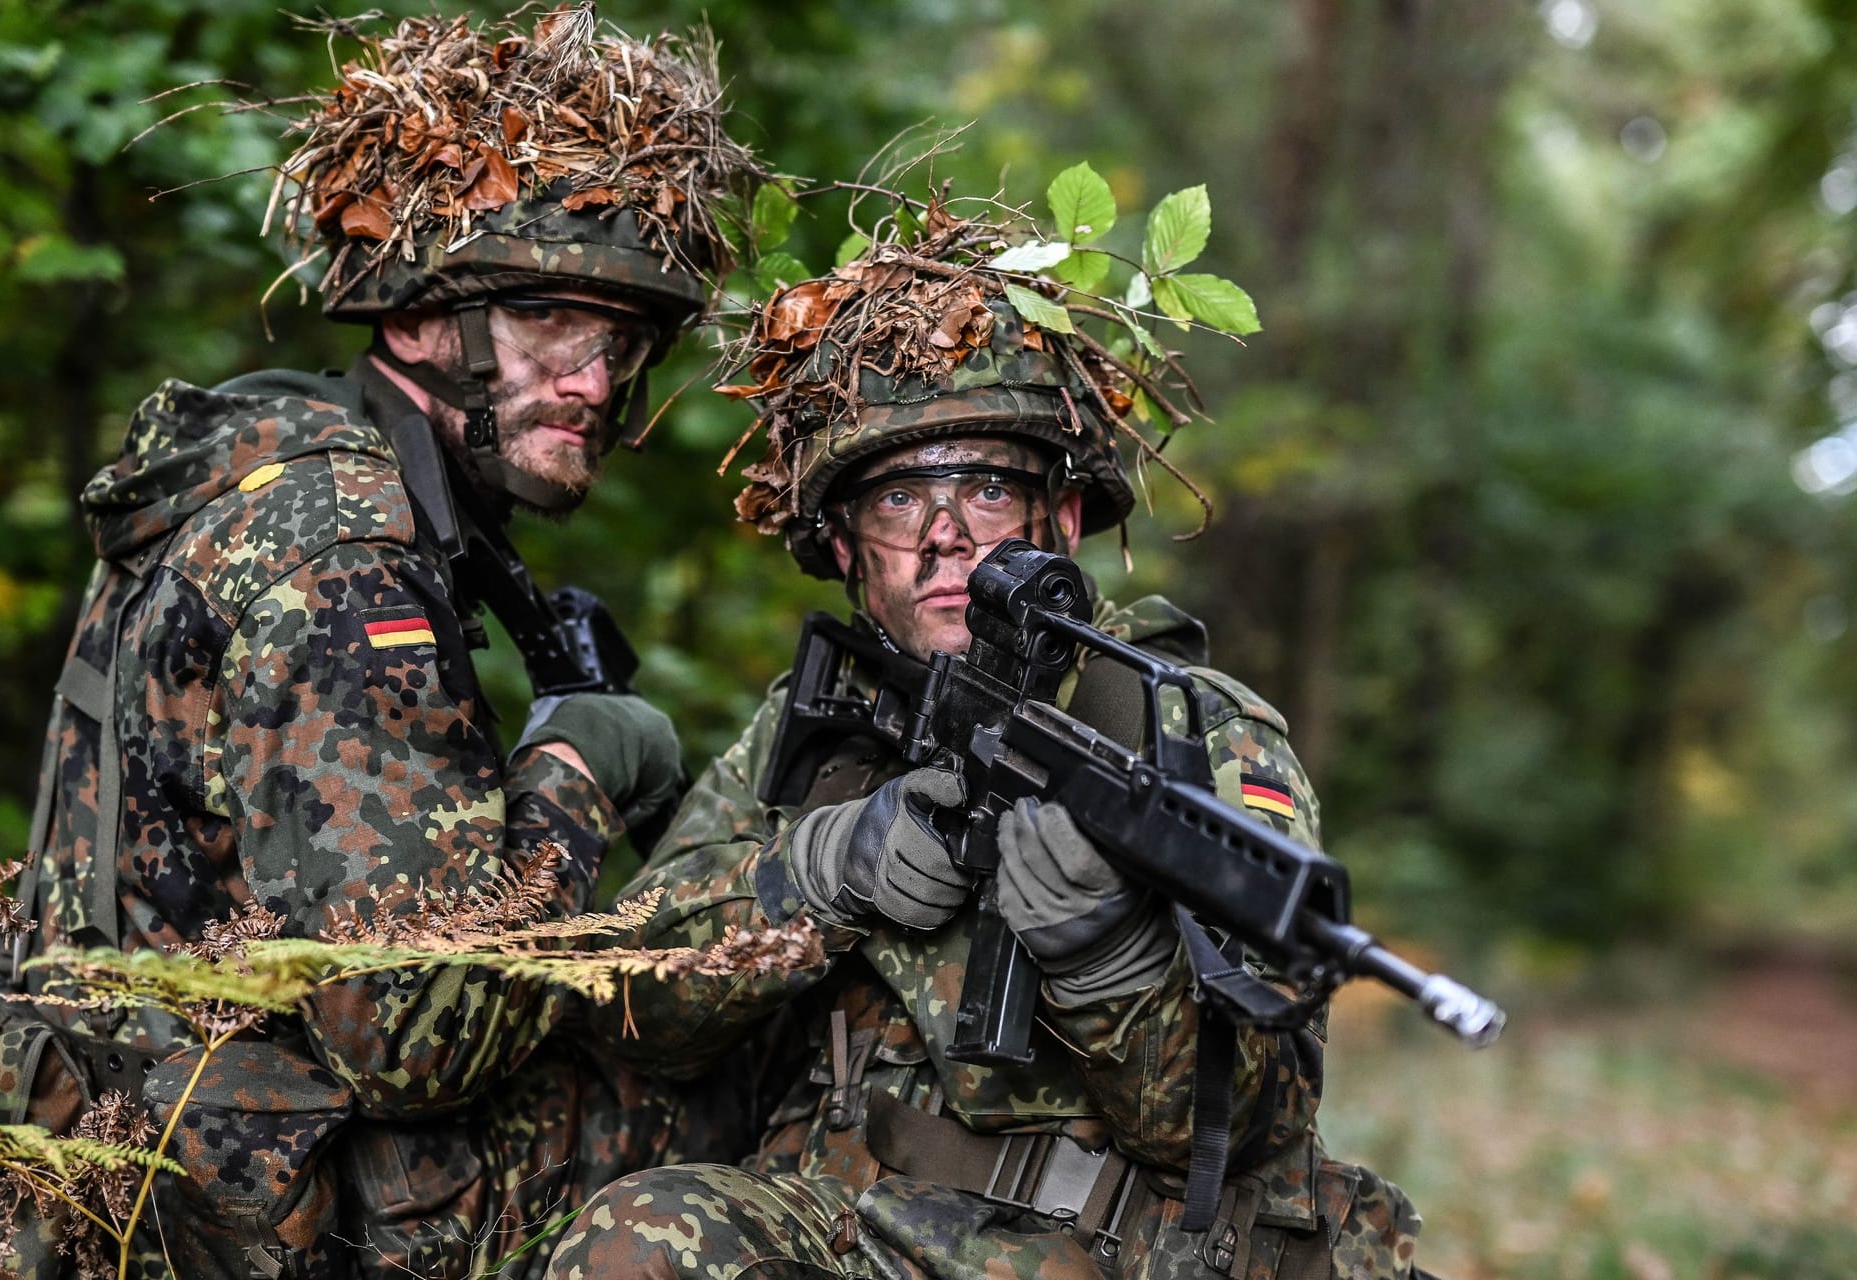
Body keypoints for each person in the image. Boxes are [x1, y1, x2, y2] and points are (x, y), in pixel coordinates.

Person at [0, 12, 767, 1280]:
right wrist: (577, 773)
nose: (596, 382)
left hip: (151, 1120)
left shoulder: (267, 466)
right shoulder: (346, 553)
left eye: (623, 340)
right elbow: (409, 1032)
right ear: (423, 319)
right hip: (233, 1203)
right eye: (548, 319)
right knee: (741, 1095)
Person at [547, 223, 1425, 1279]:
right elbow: (634, 1004)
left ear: (1060, 518)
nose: (946, 536)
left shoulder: (1190, 728)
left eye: (990, 491)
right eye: (899, 497)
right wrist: (814, 874)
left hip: (1101, 1248)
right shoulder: (813, 724)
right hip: (842, 1229)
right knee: (636, 1237)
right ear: (843, 549)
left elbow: (1252, 1126)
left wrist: (1111, 962)